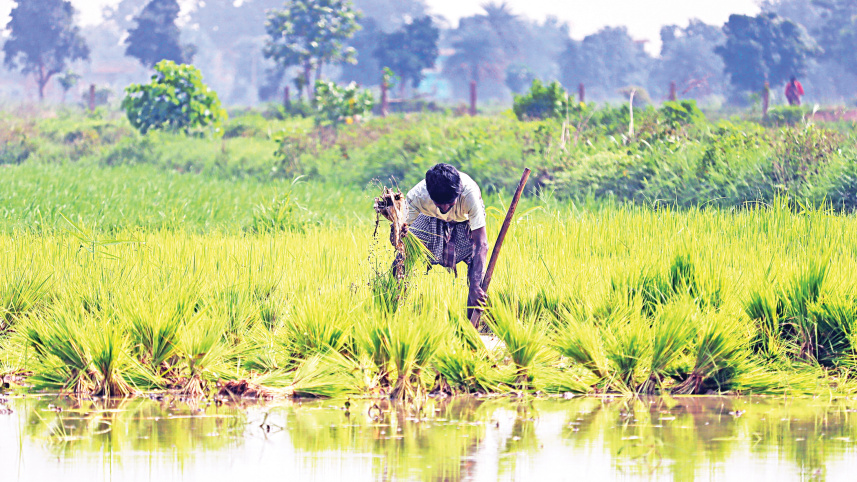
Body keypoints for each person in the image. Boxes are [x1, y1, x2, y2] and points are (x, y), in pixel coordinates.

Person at [400, 163, 488, 320]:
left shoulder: (469, 195)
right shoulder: (417, 196)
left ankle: (472, 323)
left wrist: (475, 286)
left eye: (450, 203)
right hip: (430, 218)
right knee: (403, 255)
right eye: (440, 204)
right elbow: (400, 238)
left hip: (464, 221)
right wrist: (398, 233)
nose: (446, 208)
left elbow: (482, 243)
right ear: (430, 196)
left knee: (477, 270)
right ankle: (392, 305)